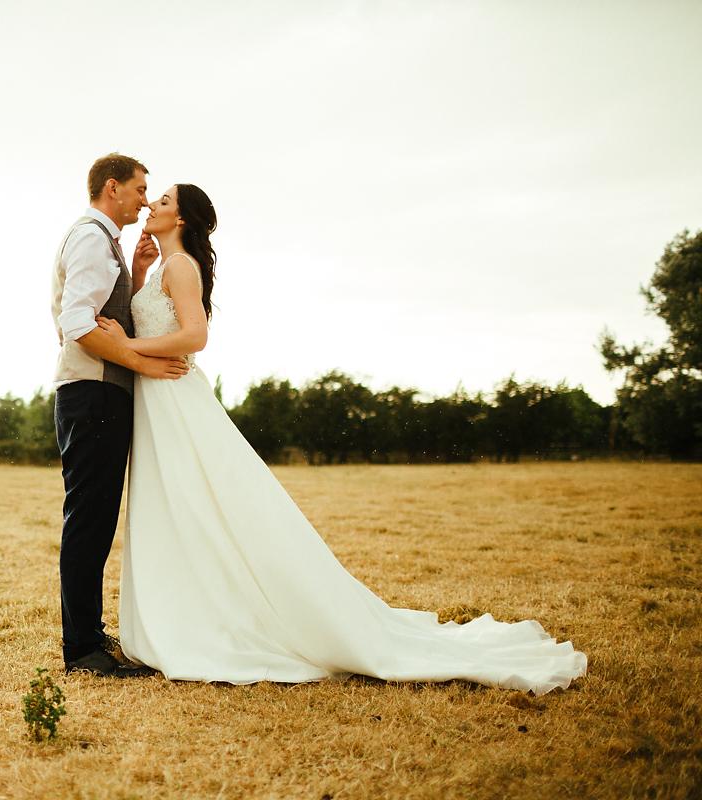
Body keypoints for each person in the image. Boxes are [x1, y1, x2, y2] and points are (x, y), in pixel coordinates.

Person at [94, 184, 589, 694]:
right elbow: (152, 319)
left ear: (183, 220)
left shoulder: (180, 268)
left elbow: (195, 337)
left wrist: (126, 345)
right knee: (178, 509)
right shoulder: (160, 267)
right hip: (158, 401)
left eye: (165, 201)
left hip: (176, 401)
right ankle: (189, 610)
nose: (152, 204)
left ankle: (214, 619)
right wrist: (136, 271)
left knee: (197, 505)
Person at [50, 153, 189, 678]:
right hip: (92, 394)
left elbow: (106, 313)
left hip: (102, 393)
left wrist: (135, 273)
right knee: (88, 519)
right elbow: (77, 321)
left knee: (98, 517)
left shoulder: (106, 242)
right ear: (113, 187)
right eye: (139, 188)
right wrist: (139, 363)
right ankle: (81, 649)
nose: (145, 198)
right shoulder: (90, 235)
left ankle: (87, 630)